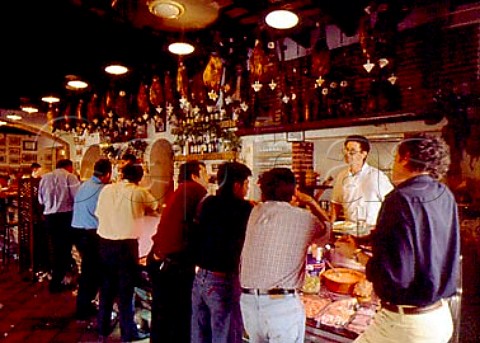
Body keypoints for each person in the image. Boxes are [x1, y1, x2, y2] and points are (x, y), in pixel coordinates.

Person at [336, 133, 460, 343]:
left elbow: (393, 276)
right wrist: (366, 239)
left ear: (406, 157)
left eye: (395, 158)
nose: (393, 164)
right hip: (440, 317)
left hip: (406, 325)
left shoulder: (398, 199)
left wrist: (355, 254)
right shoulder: (443, 193)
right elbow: (419, 237)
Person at [239, 167, 330, 343]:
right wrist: (311, 202)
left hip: (249, 304)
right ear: (294, 191)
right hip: (280, 305)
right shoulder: (304, 218)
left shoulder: (255, 213)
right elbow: (328, 232)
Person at [191, 162, 254, 343]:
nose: (247, 189)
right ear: (236, 185)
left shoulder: (208, 202)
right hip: (223, 281)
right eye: (246, 184)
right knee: (225, 336)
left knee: (199, 334)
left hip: (200, 278)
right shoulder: (244, 209)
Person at [147, 160, 209, 343]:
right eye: (204, 174)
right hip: (175, 263)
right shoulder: (195, 191)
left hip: (159, 259)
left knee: (161, 313)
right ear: (195, 176)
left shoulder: (179, 191)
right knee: (180, 314)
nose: (207, 179)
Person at [95, 163, 158, 342]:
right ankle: (128, 333)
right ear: (139, 178)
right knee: (126, 290)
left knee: (106, 287)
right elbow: (155, 206)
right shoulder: (138, 192)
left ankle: (102, 327)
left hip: (104, 244)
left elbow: (99, 214)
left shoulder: (106, 190)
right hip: (126, 247)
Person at [71, 158, 112, 320]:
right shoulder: (103, 189)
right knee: (91, 271)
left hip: (77, 230)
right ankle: (83, 308)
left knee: (90, 270)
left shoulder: (85, 184)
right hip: (89, 233)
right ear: (108, 174)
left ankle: (88, 303)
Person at [331, 135, 393, 226]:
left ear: (364, 154)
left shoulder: (378, 176)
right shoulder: (341, 176)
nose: (347, 154)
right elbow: (335, 204)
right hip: (350, 230)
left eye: (352, 151)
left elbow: (392, 204)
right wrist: (330, 227)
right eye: (346, 150)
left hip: (372, 230)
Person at [38, 159, 80, 293]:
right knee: (64, 250)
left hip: (49, 217)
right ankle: (59, 281)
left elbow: (40, 199)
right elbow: (78, 198)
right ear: (69, 167)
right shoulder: (70, 177)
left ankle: (58, 279)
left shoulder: (45, 178)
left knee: (55, 249)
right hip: (65, 217)